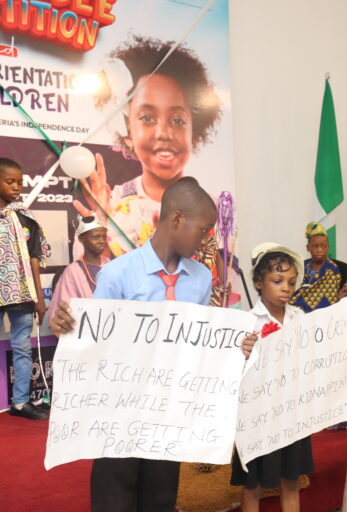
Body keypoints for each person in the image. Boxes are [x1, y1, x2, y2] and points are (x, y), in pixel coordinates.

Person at [50, 177, 256, 512]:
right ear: (176, 219)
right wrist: (68, 328)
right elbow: (93, 343)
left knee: (160, 500)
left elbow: (198, 343)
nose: (207, 239)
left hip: (168, 412)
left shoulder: (201, 278)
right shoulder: (118, 274)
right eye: (203, 229)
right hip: (118, 413)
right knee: (114, 499)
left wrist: (234, 347)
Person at [84, 35, 223, 259]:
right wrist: (101, 224)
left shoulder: (213, 208)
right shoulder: (115, 203)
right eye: (147, 117)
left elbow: (225, 281)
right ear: (127, 132)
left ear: (193, 131)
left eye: (177, 120)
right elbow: (94, 279)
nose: (164, 134)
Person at [231, 242, 313, 512]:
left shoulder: (300, 318)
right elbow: (236, 370)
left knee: (290, 480)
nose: (286, 288)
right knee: (252, 484)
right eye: (277, 281)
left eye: (291, 282)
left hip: (292, 414)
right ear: (258, 282)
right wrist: (245, 353)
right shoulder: (247, 323)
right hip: (258, 417)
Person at [0, 158, 51, 420]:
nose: (17, 187)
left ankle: (20, 402)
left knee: (22, 347)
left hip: (20, 293)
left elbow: (33, 259)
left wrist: (40, 299)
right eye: (10, 182)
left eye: (20, 182)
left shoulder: (24, 218)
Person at [48, 214, 108, 325]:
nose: (102, 241)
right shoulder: (72, 271)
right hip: (85, 329)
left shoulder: (112, 265)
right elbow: (66, 308)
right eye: (96, 237)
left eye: (104, 237)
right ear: (82, 239)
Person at [290, 222, 346, 313]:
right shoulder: (301, 267)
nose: (319, 250)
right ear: (308, 247)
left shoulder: (333, 270)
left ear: (327, 248)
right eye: (315, 246)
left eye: (323, 246)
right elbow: (294, 292)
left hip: (325, 315)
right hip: (298, 314)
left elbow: (331, 299)